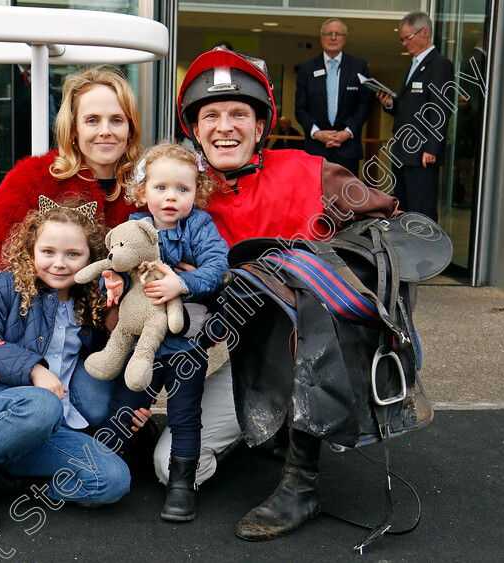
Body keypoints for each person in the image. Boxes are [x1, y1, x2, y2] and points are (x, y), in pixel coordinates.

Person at [172, 47, 400, 541]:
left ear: (259, 126)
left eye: (238, 113)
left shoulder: (310, 171)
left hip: (312, 349)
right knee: (165, 467)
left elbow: (392, 225)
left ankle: (303, 481)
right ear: (195, 128)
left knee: (311, 303)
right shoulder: (181, 192)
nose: (224, 126)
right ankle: (268, 432)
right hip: (245, 359)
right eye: (210, 115)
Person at [0, 66, 142, 382]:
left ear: (130, 129)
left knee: (104, 411)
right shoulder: (35, 179)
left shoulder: (146, 191)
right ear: (73, 130)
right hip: (31, 337)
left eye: (116, 120)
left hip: (104, 345)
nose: (105, 131)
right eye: (92, 120)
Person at [0, 201, 131, 536]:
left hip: (56, 424)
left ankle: (10, 477)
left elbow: (109, 354)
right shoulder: (5, 286)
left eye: (73, 254)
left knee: (113, 481)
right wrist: (35, 371)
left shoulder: (91, 297)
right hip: (0, 407)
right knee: (42, 404)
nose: (59, 263)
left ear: (91, 257)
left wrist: (116, 309)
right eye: (49, 251)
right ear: (31, 250)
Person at [97, 142, 229, 522]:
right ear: (143, 192)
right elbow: (117, 259)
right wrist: (113, 279)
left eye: (182, 190)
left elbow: (218, 267)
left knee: (185, 415)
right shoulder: (135, 226)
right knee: (125, 404)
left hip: (185, 347)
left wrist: (182, 284)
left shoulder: (199, 226)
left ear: (196, 193)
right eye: (161, 188)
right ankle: (104, 465)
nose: (171, 197)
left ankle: (182, 485)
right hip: (143, 346)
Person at [377, 11, 454, 221]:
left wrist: (431, 147)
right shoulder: (414, 65)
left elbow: (441, 108)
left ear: (425, 32)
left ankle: (428, 253)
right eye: (402, 39)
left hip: (421, 154)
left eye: (408, 38)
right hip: (403, 152)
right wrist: (391, 104)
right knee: (404, 209)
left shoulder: (440, 65)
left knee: (422, 211)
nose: (404, 44)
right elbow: (412, 107)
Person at [294, 18, 372, 176]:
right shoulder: (307, 68)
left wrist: (347, 132)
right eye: (329, 34)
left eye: (338, 34)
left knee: (347, 199)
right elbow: (300, 109)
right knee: (316, 199)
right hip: (316, 150)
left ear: (344, 39)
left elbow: (365, 104)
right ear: (321, 38)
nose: (333, 38)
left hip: (348, 149)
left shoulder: (359, 66)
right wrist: (317, 133)